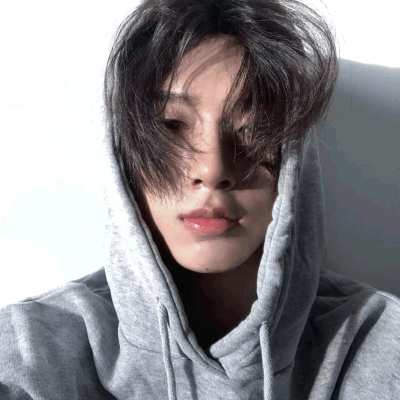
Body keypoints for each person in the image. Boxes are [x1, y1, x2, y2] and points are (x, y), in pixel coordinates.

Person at [0, 0, 399, 398]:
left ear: (295, 157)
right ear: (122, 154)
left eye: (254, 127)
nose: (212, 169)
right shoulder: (30, 350)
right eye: (171, 126)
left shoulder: (379, 345)